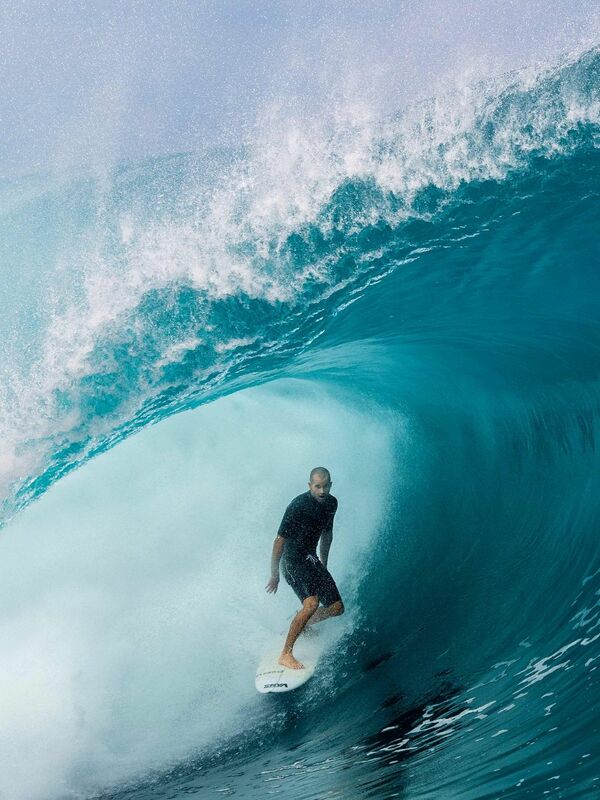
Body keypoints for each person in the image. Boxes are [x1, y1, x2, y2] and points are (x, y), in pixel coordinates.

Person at [265, 467, 344, 669]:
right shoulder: (298, 506)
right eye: (317, 486)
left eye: (325, 486)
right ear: (310, 486)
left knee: (336, 608)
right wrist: (275, 574)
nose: (322, 491)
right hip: (292, 560)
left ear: (330, 485)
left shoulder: (332, 504)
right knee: (312, 604)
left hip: (311, 558)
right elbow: (279, 541)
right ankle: (285, 654)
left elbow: (327, 535)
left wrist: (323, 565)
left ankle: (303, 623)